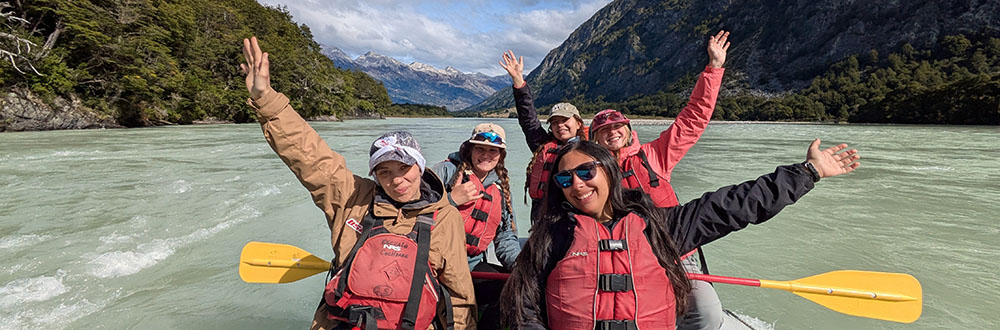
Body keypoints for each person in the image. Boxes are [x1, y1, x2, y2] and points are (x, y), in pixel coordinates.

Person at [240, 36, 476, 330]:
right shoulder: (353, 198)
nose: (396, 179)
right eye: (384, 171)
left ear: (420, 166)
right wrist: (267, 101)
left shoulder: (445, 217)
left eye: (405, 167)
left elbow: (458, 294)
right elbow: (310, 155)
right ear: (375, 175)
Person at [499, 139, 860, 329]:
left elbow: (734, 205)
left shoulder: (661, 226)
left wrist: (808, 172)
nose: (577, 184)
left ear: (608, 171)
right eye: (565, 178)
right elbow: (524, 312)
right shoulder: (550, 237)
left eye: (586, 172)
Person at [586, 30, 730, 330]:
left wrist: (714, 69)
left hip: (675, 249)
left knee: (707, 313)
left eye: (617, 126)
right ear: (594, 138)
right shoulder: (589, 172)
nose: (612, 131)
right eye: (603, 129)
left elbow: (692, 120)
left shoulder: (654, 156)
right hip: (625, 254)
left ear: (627, 130)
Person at [431, 123, 523, 329]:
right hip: (435, 266)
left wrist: (519, 265)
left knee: (515, 289)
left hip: (470, 266)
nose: (486, 155)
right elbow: (415, 215)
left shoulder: (500, 187)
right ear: (469, 149)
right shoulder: (445, 172)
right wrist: (451, 200)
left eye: (493, 150)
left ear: (501, 155)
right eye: (480, 148)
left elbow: (506, 237)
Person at [499, 50, 587, 223]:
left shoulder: (591, 148)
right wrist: (518, 82)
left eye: (565, 120)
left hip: (578, 218)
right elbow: (528, 118)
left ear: (578, 123)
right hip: (544, 217)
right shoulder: (542, 144)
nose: (560, 125)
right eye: (554, 122)